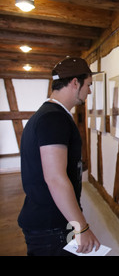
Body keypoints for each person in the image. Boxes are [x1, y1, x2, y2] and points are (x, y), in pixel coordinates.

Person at [18, 57, 100, 256]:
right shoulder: (54, 118)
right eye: (88, 85)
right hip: (51, 226)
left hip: (47, 220)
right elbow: (55, 178)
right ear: (74, 82)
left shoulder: (46, 115)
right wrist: (81, 227)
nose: (89, 91)